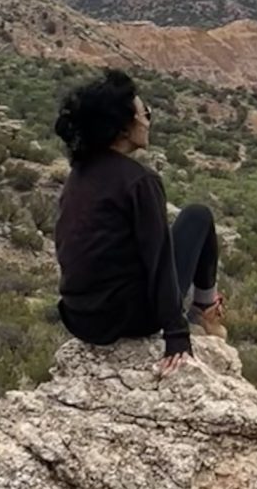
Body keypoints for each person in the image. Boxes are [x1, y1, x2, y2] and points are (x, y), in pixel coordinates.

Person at [52, 69, 223, 374]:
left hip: (80, 319)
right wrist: (176, 335)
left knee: (177, 227)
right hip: (129, 318)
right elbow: (158, 261)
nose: (147, 121)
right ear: (123, 127)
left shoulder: (79, 174)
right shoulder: (139, 181)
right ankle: (205, 308)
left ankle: (204, 308)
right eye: (145, 113)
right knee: (198, 216)